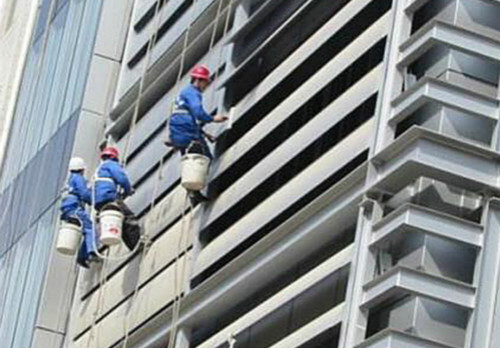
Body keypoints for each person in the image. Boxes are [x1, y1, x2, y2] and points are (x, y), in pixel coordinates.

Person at [168, 64, 228, 203]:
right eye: (206, 83)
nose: (206, 87)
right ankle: (195, 188)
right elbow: (198, 113)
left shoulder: (184, 94)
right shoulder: (193, 93)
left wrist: (205, 134)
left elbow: (189, 118)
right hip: (186, 127)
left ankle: (193, 192)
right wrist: (213, 118)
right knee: (204, 156)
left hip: (179, 130)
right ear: (199, 80)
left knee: (189, 158)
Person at [93, 147, 140, 251]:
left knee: (120, 221)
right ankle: (137, 243)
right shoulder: (110, 164)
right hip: (109, 197)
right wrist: (128, 190)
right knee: (130, 218)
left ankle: (132, 247)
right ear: (114, 157)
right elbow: (121, 178)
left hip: (100, 203)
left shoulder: (99, 170)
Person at [60, 157, 98, 268]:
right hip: (75, 208)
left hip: (67, 210)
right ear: (82, 169)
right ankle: (91, 252)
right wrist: (93, 201)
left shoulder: (69, 180)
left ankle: (82, 256)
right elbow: (84, 193)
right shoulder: (78, 179)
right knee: (89, 228)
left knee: (85, 230)